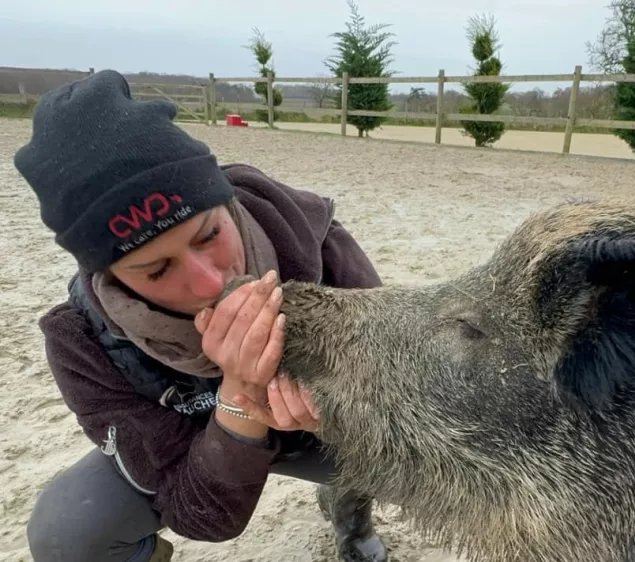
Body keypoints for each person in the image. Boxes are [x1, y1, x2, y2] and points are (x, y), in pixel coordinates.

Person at [15, 69, 388, 562]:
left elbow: (396, 381)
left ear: (225, 203)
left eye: (209, 235)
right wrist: (239, 398)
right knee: (69, 533)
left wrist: (334, 413)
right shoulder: (83, 342)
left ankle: (350, 510)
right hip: (199, 457)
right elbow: (204, 517)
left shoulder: (310, 237)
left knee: (439, 455)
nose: (210, 284)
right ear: (111, 277)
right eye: (156, 269)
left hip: (321, 438)